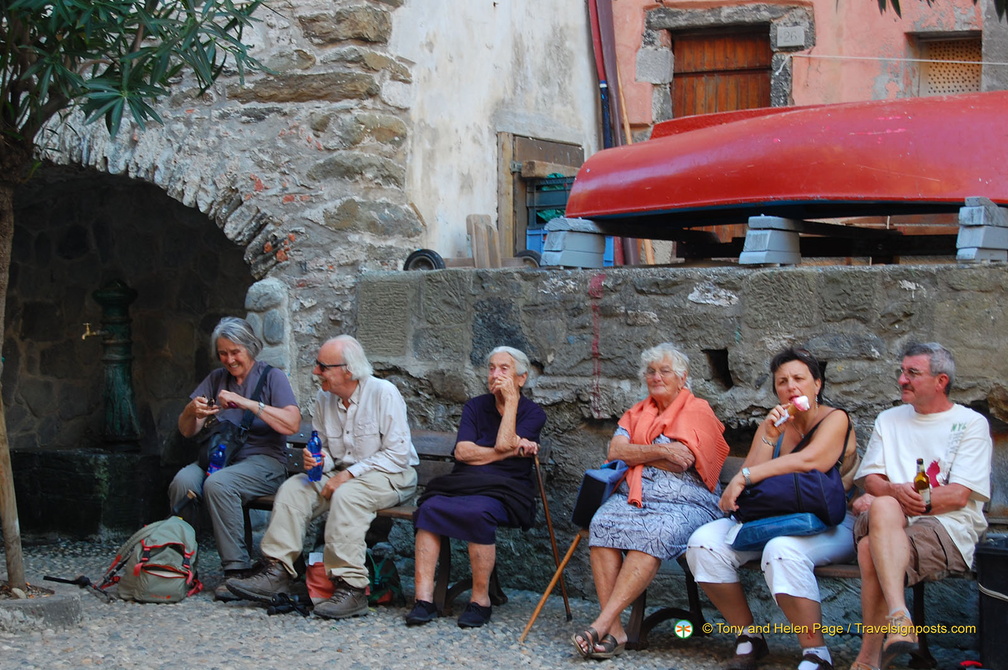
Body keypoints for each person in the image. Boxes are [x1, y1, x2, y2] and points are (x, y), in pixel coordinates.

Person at [686, 347, 859, 670]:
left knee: (781, 551)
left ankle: (816, 653)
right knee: (702, 544)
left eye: (799, 378)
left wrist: (746, 476)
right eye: (782, 381)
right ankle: (750, 637)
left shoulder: (836, 419)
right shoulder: (776, 422)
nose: (791, 386)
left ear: (817, 385)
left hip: (830, 521)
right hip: (772, 517)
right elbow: (748, 479)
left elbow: (813, 461)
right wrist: (768, 437)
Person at [226, 335, 419, 619]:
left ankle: (351, 588)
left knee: (348, 495)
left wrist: (349, 475)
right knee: (295, 487)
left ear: (348, 370)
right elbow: (326, 448)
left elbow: (397, 454)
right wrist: (318, 458)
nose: (316, 373)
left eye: (322, 367)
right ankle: (277, 570)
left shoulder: (383, 393)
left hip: (390, 473)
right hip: (341, 472)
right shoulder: (323, 398)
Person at [571, 343, 730, 660]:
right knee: (602, 524)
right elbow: (615, 452)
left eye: (664, 371)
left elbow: (682, 462)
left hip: (687, 503)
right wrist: (661, 450)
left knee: (653, 533)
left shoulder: (698, 411)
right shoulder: (637, 412)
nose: (656, 376)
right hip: (637, 497)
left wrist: (638, 454)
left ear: (682, 378)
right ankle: (615, 628)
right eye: (651, 371)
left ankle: (600, 623)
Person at [850, 342, 992, 670]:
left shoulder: (970, 424)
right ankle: (900, 617)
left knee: (872, 546)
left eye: (912, 373)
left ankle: (869, 657)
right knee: (884, 507)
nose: (902, 379)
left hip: (947, 527)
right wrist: (889, 492)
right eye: (902, 372)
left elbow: (958, 496)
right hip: (887, 517)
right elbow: (870, 478)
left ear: (941, 381)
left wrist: (895, 497)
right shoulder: (889, 419)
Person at [405, 346, 546, 629]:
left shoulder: (533, 413)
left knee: (480, 512)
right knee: (429, 508)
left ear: (521, 378)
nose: (495, 375)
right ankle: (423, 599)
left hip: (506, 489)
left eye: (504, 369)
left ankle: (481, 600)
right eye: (492, 368)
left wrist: (511, 403)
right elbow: (463, 453)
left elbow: (503, 441)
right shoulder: (475, 406)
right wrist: (506, 451)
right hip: (464, 481)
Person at [168, 316, 302, 601]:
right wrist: (192, 412)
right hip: (220, 459)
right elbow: (186, 431)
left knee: (218, 484)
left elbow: (292, 424)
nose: (229, 359)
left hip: (265, 461)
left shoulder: (271, 377)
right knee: (183, 482)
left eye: (235, 352)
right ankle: (180, 564)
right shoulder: (216, 379)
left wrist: (248, 404)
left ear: (250, 348)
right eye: (223, 353)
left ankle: (236, 571)